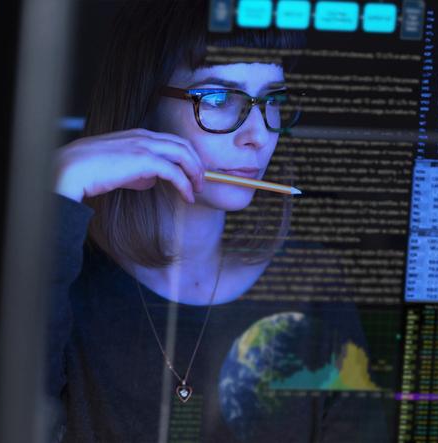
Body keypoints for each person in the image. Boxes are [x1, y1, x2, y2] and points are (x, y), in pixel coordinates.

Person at [49, 1, 387, 441]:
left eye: (272, 101)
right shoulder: (64, 276)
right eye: (217, 98)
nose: (259, 136)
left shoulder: (312, 282)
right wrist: (58, 188)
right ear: (142, 102)